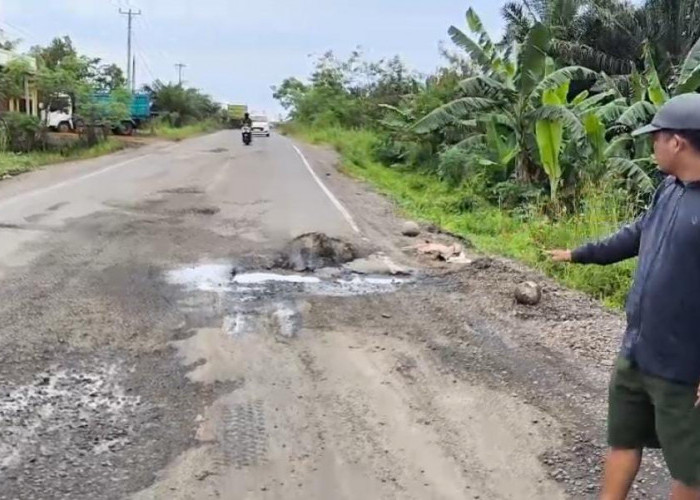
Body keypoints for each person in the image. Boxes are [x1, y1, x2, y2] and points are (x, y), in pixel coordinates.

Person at [548, 93, 700, 500]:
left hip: (683, 367)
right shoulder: (668, 189)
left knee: (692, 471)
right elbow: (636, 234)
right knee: (622, 440)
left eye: (656, 138)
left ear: (677, 142)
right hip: (637, 350)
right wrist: (581, 254)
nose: (651, 146)